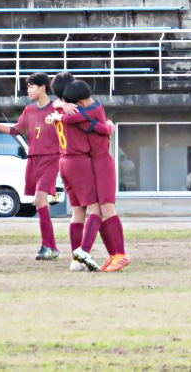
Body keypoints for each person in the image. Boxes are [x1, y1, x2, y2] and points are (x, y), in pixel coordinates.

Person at [0, 72, 61, 261]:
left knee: (39, 200)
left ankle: (48, 246)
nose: (28, 90)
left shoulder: (57, 108)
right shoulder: (29, 110)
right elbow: (15, 130)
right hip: (33, 159)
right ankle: (51, 247)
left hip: (51, 158)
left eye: (31, 86)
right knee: (39, 202)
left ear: (43, 87)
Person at [48, 79, 131, 272]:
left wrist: (57, 111)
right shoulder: (74, 111)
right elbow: (100, 128)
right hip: (83, 162)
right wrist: (108, 126)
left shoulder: (64, 109)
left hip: (69, 161)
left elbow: (84, 122)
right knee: (98, 210)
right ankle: (97, 253)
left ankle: (97, 256)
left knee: (87, 211)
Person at [43, 77, 102, 271]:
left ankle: (75, 261)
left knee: (77, 213)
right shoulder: (74, 110)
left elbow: (56, 108)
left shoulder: (58, 109)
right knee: (96, 210)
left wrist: (60, 104)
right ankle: (83, 252)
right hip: (79, 161)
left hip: (64, 161)